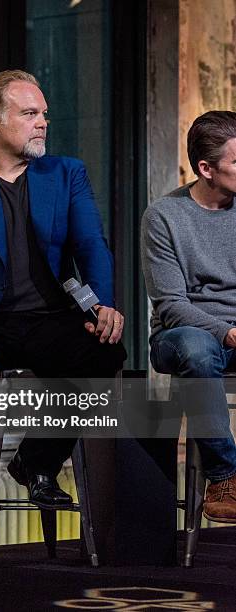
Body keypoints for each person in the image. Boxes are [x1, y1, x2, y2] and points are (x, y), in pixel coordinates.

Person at [0, 69, 126, 576]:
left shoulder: (65, 172)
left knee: (105, 353)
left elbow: (90, 245)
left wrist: (103, 303)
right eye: (30, 114)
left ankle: (36, 461)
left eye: (45, 115)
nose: (42, 124)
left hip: (50, 315)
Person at [141, 110, 236, 530]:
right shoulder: (164, 217)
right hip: (182, 336)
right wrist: (229, 333)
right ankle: (224, 477)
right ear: (206, 168)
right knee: (198, 348)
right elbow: (170, 304)